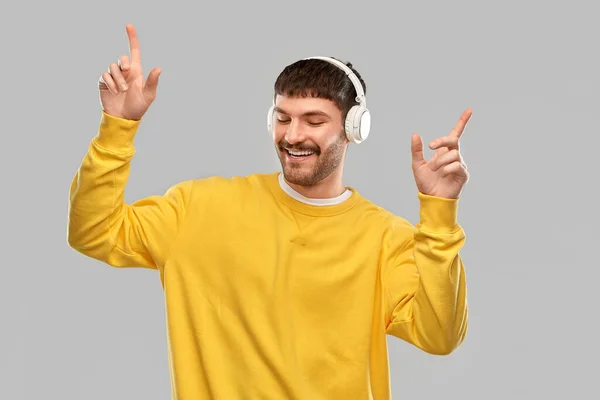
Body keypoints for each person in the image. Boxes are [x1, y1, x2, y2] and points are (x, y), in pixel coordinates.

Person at [67, 24, 471, 400]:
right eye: (282, 118)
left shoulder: (387, 239)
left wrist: (439, 214)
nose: (292, 136)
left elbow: (440, 336)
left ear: (353, 129)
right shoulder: (197, 208)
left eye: (314, 121)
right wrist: (117, 127)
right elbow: (94, 231)